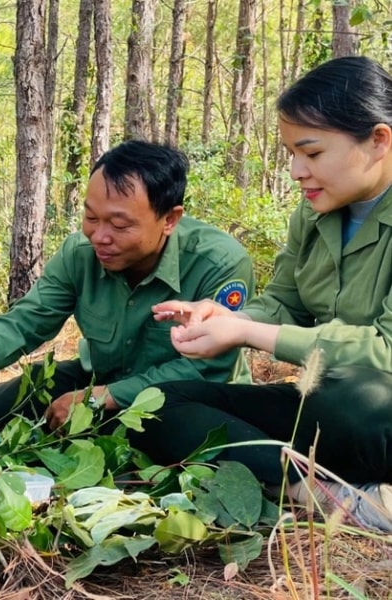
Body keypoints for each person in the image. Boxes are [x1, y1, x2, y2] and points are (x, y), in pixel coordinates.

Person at [141, 56, 392, 532]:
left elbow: (386, 351)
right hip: (330, 404)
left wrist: (251, 331)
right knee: (160, 403)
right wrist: (221, 316)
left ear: (378, 141)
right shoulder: (315, 213)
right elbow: (283, 299)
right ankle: (323, 494)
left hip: (371, 410)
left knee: (354, 400)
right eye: (291, 154)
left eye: (313, 153)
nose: (297, 171)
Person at [0, 140, 254, 428]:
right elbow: (27, 320)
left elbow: (203, 371)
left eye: (119, 224)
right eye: (91, 218)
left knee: (160, 428)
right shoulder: (81, 254)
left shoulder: (218, 263)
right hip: (102, 376)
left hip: (184, 393)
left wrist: (104, 398)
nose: (100, 237)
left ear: (169, 219)